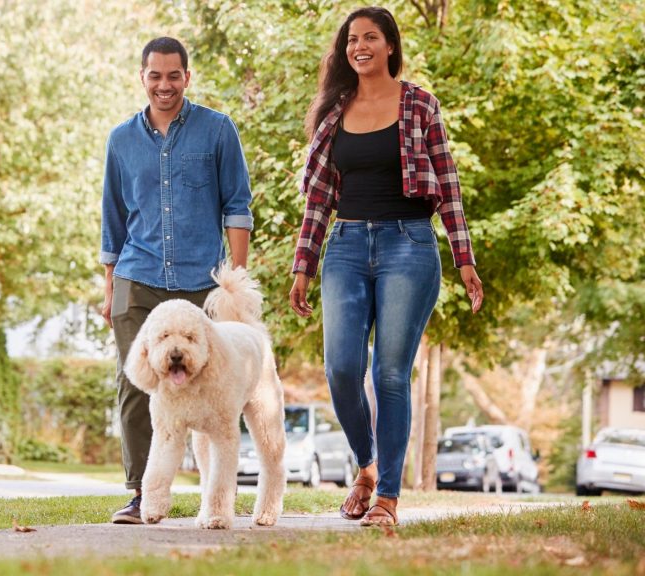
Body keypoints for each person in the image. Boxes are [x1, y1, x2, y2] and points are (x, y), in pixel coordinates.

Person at [288, 6, 484, 527]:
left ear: (390, 45)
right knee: (341, 369)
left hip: (409, 246)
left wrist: (464, 260)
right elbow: (318, 199)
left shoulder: (420, 104)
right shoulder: (335, 111)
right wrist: (303, 263)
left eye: (371, 37)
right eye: (352, 39)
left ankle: (388, 500)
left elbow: (449, 186)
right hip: (346, 246)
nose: (360, 46)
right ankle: (367, 466)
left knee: (390, 374)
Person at [100, 36, 253, 524]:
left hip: (200, 282)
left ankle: (216, 492)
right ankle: (141, 493)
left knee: (212, 385)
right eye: (154, 75)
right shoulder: (121, 140)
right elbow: (112, 219)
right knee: (135, 384)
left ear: (187, 77)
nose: (163, 85)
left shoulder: (217, 130)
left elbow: (237, 207)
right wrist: (109, 290)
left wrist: (235, 278)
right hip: (134, 276)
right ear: (141, 77)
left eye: (172, 75)